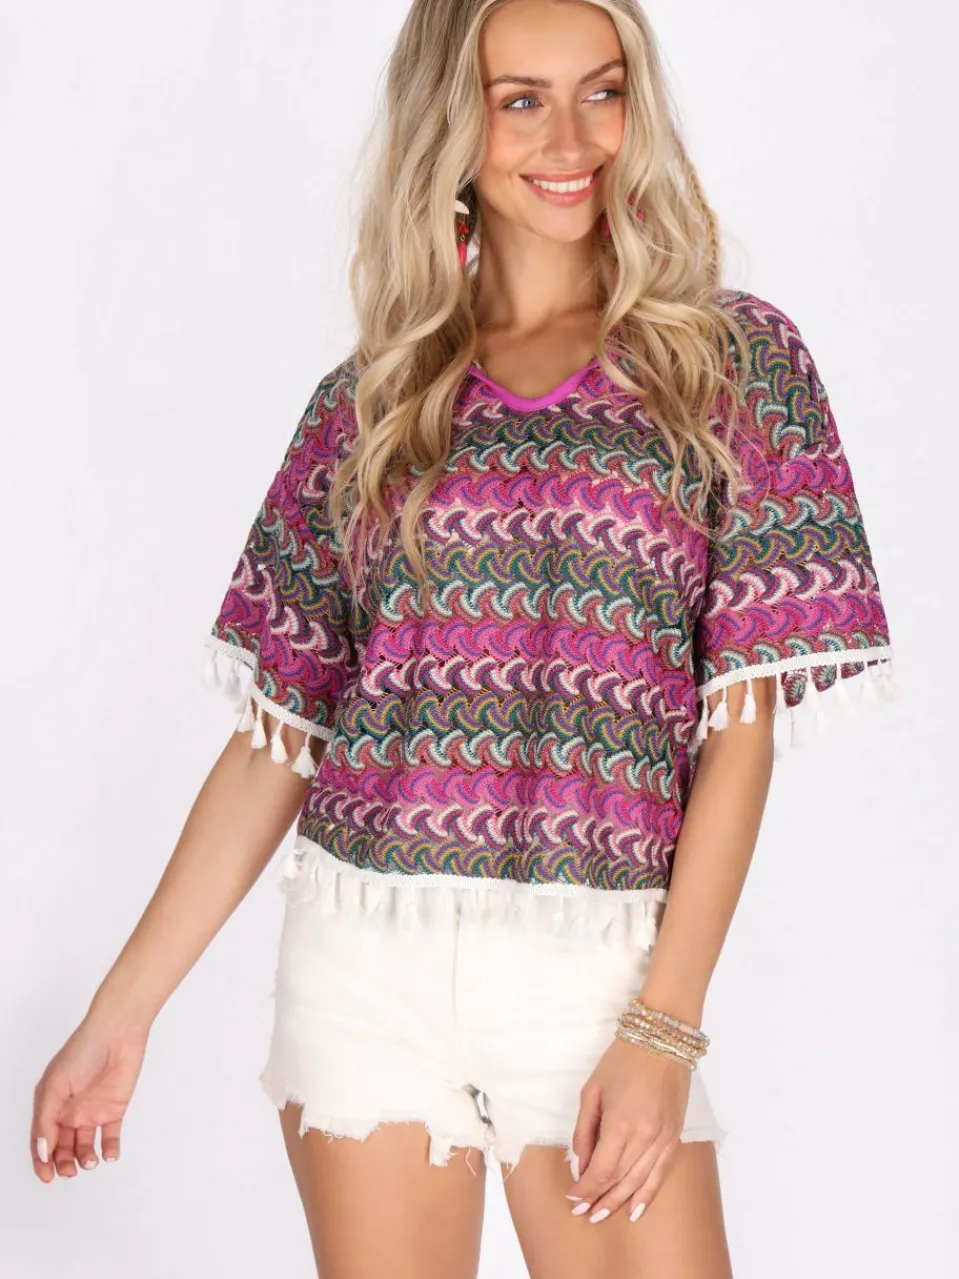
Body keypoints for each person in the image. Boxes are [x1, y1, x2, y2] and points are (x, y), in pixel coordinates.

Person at [30, 2, 897, 1276]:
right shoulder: (373, 402)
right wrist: (122, 1010)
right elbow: (278, 740)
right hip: (364, 959)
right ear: (451, 122)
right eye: (519, 101)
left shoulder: (727, 364)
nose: (571, 139)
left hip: (599, 970)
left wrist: (663, 1027)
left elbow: (740, 734)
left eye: (601, 91)